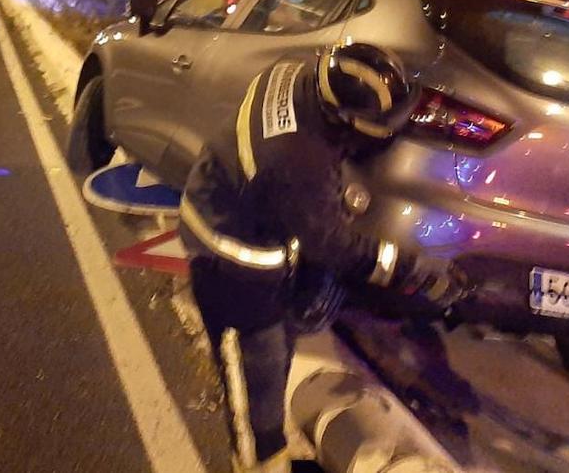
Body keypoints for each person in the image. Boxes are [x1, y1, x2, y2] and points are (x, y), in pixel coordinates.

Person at [179, 42, 469, 473]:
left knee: (281, 341)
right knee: (257, 365)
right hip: (228, 258)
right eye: (377, 127)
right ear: (343, 119)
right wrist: (416, 270)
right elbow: (335, 246)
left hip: (229, 198)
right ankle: (259, 459)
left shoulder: (297, 76)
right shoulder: (295, 159)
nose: (385, 134)